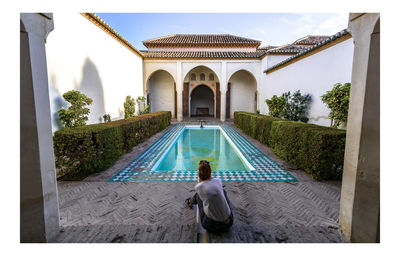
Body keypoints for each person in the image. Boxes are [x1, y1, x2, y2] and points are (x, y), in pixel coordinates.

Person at [185, 160, 233, 233]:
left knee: (198, 196)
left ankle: (189, 202)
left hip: (212, 226)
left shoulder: (199, 187)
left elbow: (203, 186)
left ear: (199, 173)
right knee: (223, 191)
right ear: (210, 171)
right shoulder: (218, 181)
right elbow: (210, 183)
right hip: (229, 222)